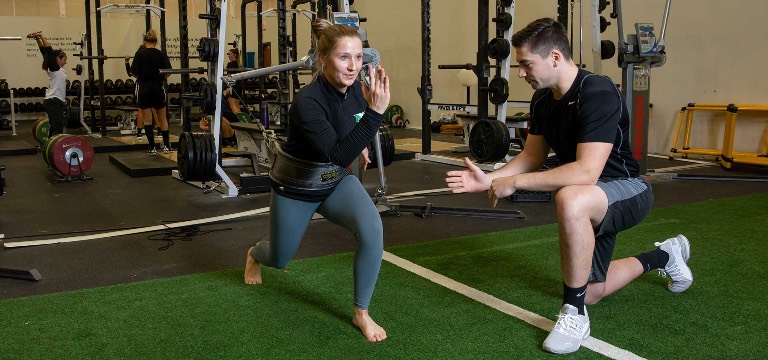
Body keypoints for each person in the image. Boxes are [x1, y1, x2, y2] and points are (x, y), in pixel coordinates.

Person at [444, 18, 693, 355]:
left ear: (556, 58)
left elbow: (587, 172)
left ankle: (574, 313)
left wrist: (513, 183)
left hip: (628, 190)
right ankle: (665, 255)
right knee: (592, 289)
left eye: (526, 64)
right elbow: (532, 156)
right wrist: (490, 178)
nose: (520, 73)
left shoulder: (598, 92)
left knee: (571, 197)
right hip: (592, 197)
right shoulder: (543, 101)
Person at [243, 18, 389, 342]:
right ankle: (255, 254)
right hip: (297, 186)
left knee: (373, 229)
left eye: (357, 57)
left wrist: (362, 143)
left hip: (335, 181)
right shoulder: (307, 102)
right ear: (323, 60)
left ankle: (361, 313)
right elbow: (337, 151)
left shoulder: (354, 90)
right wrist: (375, 116)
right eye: (343, 57)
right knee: (279, 258)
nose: (353, 66)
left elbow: (348, 130)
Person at [130, 29, 172, 155]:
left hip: (144, 89)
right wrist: (159, 77)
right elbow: (168, 72)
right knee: (163, 119)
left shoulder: (140, 54)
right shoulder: (161, 54)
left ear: (144, 41)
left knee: (147, 120)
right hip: (158, 88)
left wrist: (143, 75)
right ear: (156, 42)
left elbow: (133, 72)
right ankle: (166, 147)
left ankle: (152, 148)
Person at [29, 31, 68, 137]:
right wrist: (41, 35)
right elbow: (48, 51)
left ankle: (50, 146)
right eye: (64, 60)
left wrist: (37, 39)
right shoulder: (54, 68)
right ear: (57, 59)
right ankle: (55, 150)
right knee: (58, 127)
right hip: (53, 101)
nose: (66, 62)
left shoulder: (57, 68)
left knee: (56, 126)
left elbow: (44, 52)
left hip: (56, 101)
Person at [223, 48, 242, 113]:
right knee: (237, 105)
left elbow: (229, 77)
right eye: (228, 54)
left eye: (230, 54)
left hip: (234, 86)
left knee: (232, 105)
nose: (228, 56)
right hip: (239, 87)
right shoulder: (239, 64)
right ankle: (242, 121)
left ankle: (239, 121)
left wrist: (228, 88)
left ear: (235, 55)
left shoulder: (231, 64)